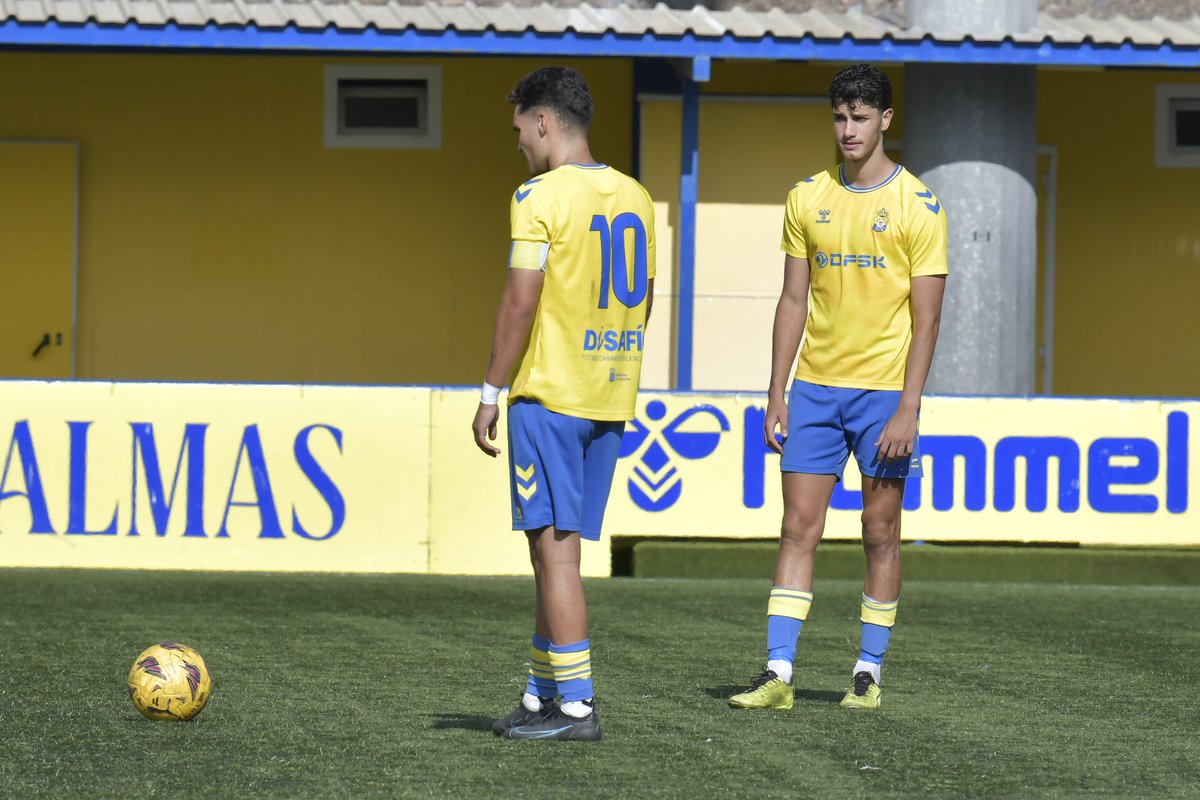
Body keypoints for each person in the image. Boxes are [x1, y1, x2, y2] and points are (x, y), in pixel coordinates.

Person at [727, 63, 948, 712]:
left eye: (860, 117)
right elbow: (793, 300)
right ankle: (776, 672)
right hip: (815, 392)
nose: (848, 130)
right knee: (798, 527)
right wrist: (776, 392)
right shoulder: (806, 197)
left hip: (884, 396)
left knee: (879, 531)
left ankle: (868, 672)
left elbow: (927, 317)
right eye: (839, 117)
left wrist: (909, 407)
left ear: (885, 120)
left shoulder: (920, 206)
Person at [471, 66, 655, 741]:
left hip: (549, 396)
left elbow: (521, 300)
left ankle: (576, 707)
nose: (519, 141)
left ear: (544, 122)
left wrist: (492, 389)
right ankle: (540, 694)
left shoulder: (539, 195)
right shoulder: (635, 196)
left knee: (555, 555)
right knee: (554, 553)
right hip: (608, 398)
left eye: (521, 128)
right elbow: (645, 299)